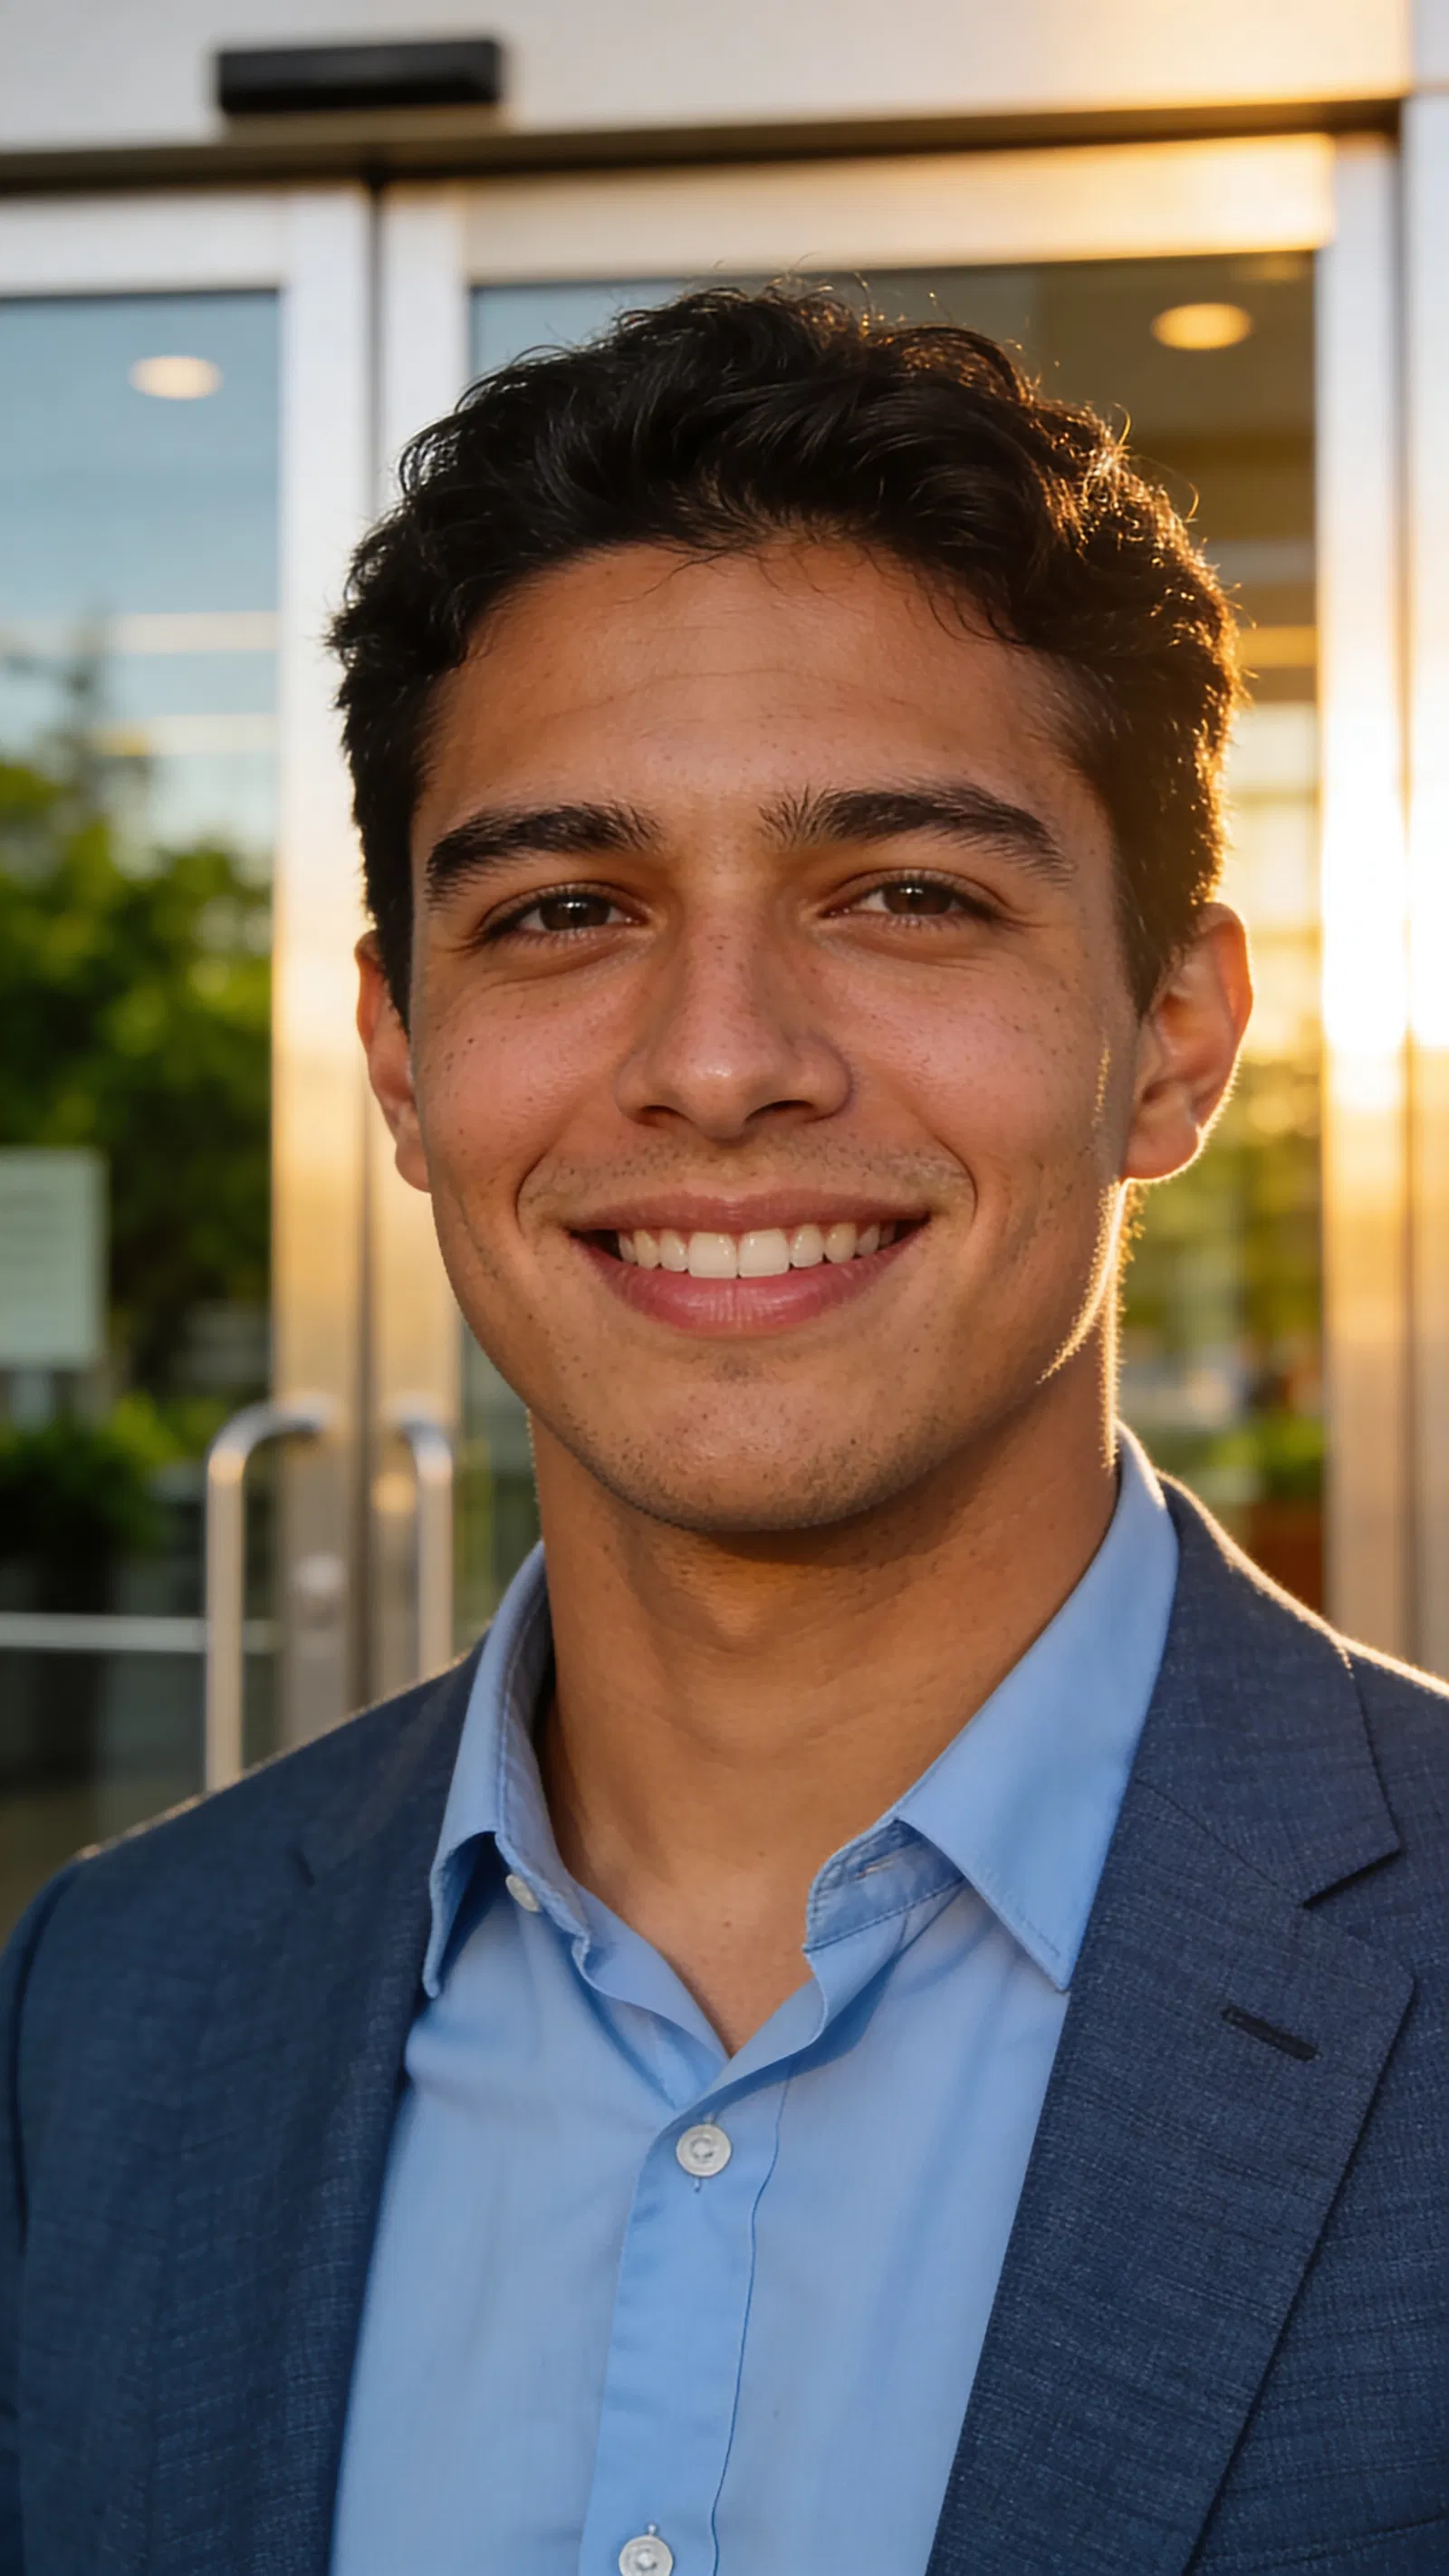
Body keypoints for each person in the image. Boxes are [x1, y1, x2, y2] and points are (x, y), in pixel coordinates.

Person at [1, 289, 1445, 2576]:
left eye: (902, 895)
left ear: (1170, 1034)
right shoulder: (109, 2007)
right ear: (399, 1063)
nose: (717, 1058)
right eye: (568, 910)